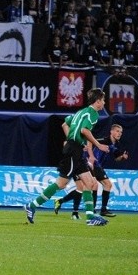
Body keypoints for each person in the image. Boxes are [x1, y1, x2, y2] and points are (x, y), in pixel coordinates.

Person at [24, 88, 110, 226]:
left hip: (75, 149)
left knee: (91, 183)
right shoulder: (92, 114)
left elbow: (65, 123)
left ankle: (90, 217)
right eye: (103, 100)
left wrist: (72, 139)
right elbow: (84, 130)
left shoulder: (80, 112)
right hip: (73, 150)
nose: (104, 103)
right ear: (98, 101)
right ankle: (32, 205)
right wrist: (97, 145)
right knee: (61, 183)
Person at [54, 124, 128, 218]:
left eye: (121, 132)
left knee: (91, 186)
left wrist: (122, 157)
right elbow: (90, 141)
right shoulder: (104, 140)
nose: (119, 133)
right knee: (91, 186)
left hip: (96, 166)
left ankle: (63, 202)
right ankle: (92, 211)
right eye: (117, 131)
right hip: (88, 164)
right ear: (111, 131)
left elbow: (116, 159)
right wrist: (91, 157)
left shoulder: (113, 144)